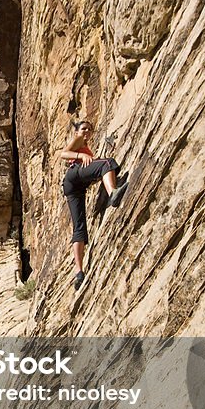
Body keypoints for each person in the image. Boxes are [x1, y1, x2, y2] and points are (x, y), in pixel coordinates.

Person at [60, 119, 127, 290]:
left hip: (73, 187)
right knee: (107, 163)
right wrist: (81, 155)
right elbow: (63, 154)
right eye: (84, 128)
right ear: (78, 131)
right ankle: (113, 193)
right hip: (74, 174)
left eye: (89, 129)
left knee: (79, 228)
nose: (87, 131)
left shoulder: (85, 144)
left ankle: (79, 272)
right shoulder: (79, 140)